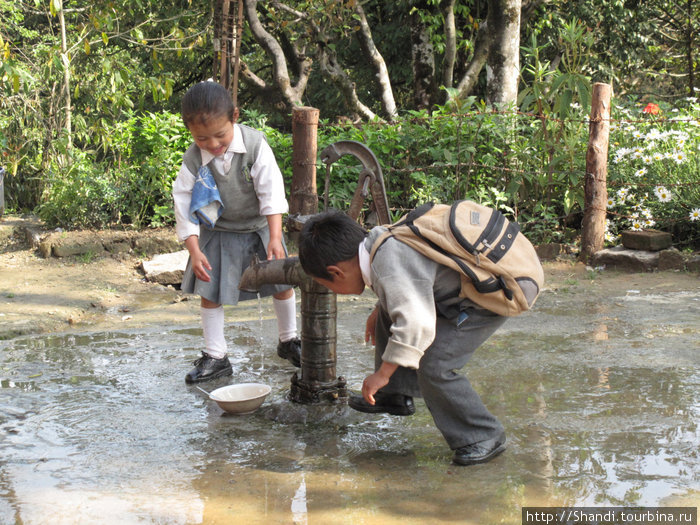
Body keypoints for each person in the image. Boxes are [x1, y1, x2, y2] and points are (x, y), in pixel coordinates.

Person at [297, 210, 509, 466]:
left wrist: (382, 373)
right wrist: (379, 308)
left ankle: (484, 436)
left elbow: (416, 325)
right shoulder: (376, 242)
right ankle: (394, 394)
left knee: (434, 364)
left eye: (327, 285)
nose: (332, 291)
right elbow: (405, 286)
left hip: (490, 297)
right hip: (461, 289)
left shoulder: (386, 266)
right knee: (389, 309)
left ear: (336, 272)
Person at [172, 81, 300, 384]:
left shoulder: (255, 146)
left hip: (259, 227)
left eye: (220, 135)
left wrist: (274, 237)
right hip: (218, 231)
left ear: (235, 117)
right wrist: (193, 248)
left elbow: (272, 193)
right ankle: (216, 356)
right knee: (209, 291)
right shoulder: (192, 159)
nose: (213, 144)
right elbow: (183, 201)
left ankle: (289, 340)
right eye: (202, 138)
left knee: (281, 283)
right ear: (190, 132)